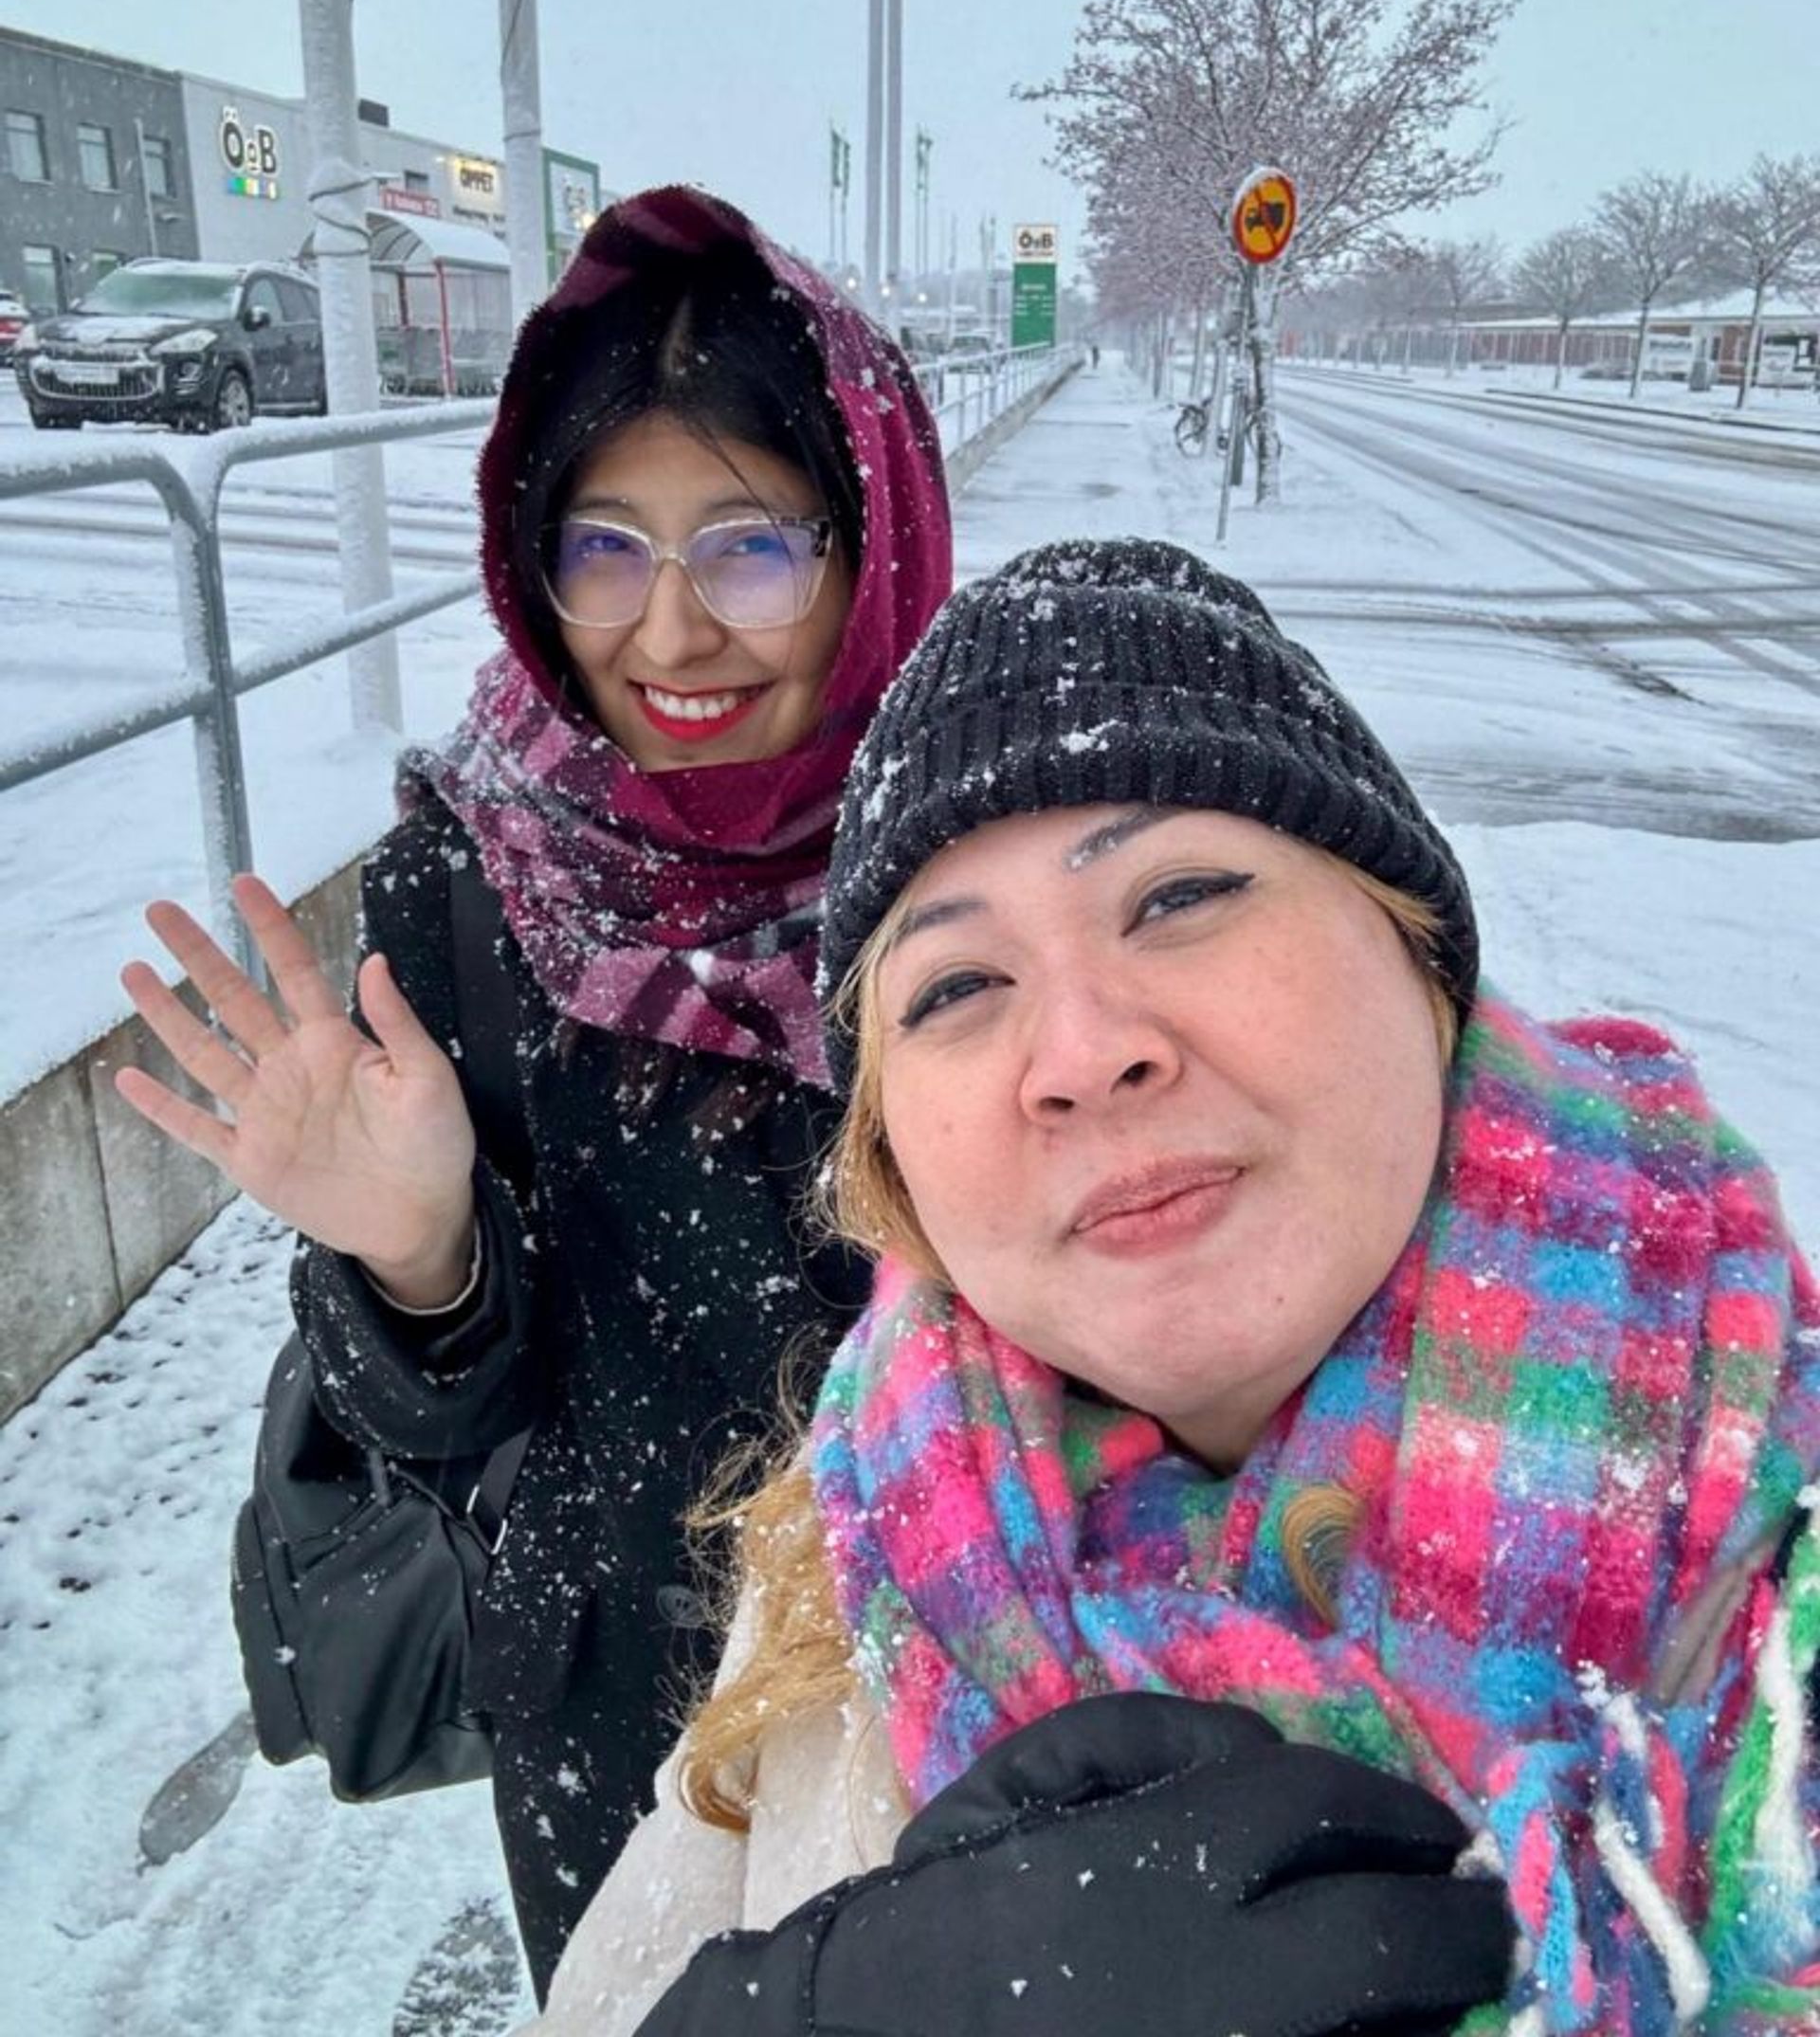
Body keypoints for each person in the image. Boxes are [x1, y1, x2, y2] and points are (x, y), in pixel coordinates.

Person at [529, 537, 1820, 2037]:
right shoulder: (850, 1553)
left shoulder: (1777, 1546)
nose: (1083, 1053)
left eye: (1181, 895)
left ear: (1422, 959)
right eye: (955, 989)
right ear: (899, 1163)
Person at [113, 184, 953, 1999]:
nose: (669, 631)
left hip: (951, 1655)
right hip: (612, 1693)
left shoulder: (976, 868)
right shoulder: (476, 882)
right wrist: (417, 1264)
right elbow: (455, 1424)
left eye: (750, 546)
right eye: (604, 546)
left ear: (872, 535)